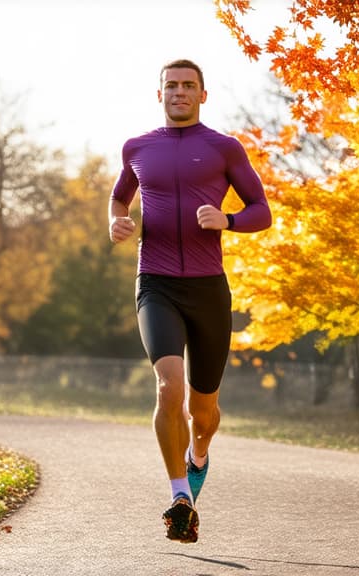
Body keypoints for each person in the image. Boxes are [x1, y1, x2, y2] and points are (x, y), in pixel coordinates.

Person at [108, 58, 271, 543]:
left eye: (188, 85)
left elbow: (261, 210)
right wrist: (115, 222)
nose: (179, 92)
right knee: (167, 387)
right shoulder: (137, 147)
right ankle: (180, 495)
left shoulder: (223, 148)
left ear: (203, 94)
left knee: (203, 411)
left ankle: (198, 454)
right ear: (159, 94)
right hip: (155, 282)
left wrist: (229, 221)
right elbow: (120, 197)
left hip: (207, 288)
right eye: (171, 86)